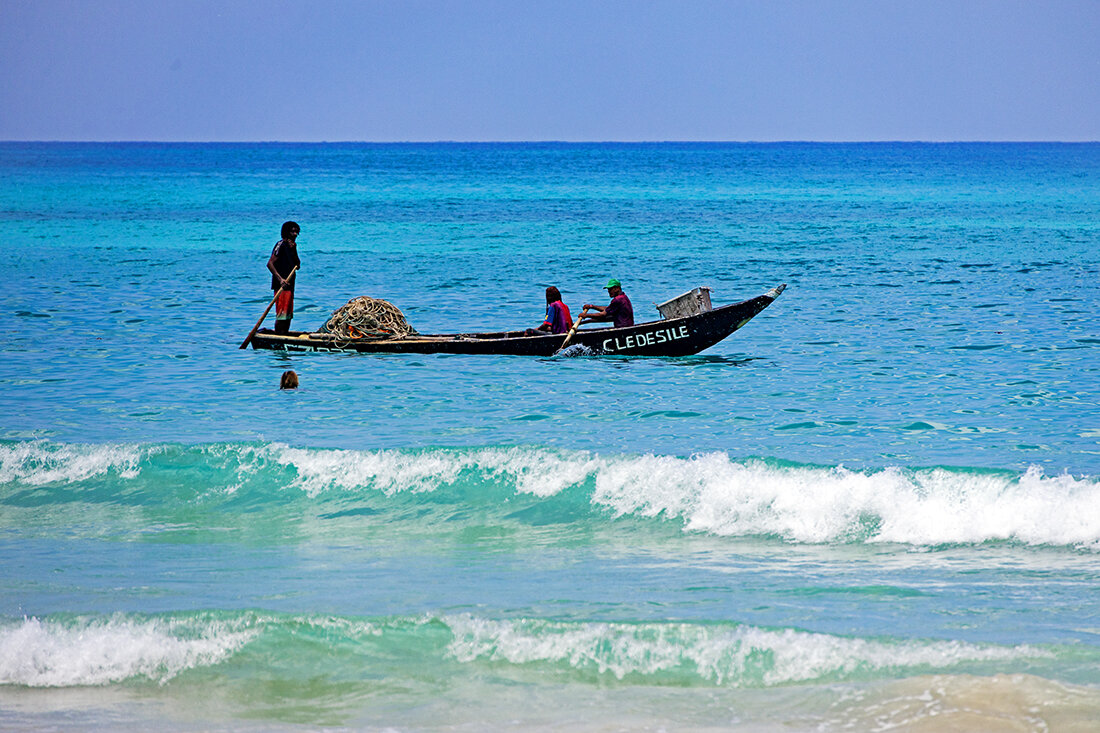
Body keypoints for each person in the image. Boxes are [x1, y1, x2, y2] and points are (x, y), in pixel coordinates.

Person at [266, 221, 301, 335]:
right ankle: (278, 336)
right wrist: (280, 279)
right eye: (292, 232)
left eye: (296, 232)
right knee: (282, 315)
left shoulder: (292, 246)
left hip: (290, 285)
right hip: (281, 285)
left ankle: (284, 335)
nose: (295, 234)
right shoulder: (280, 244)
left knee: (288, 315)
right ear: (286, 233)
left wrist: (294, 250)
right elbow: (270, 264)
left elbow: (298, 265)